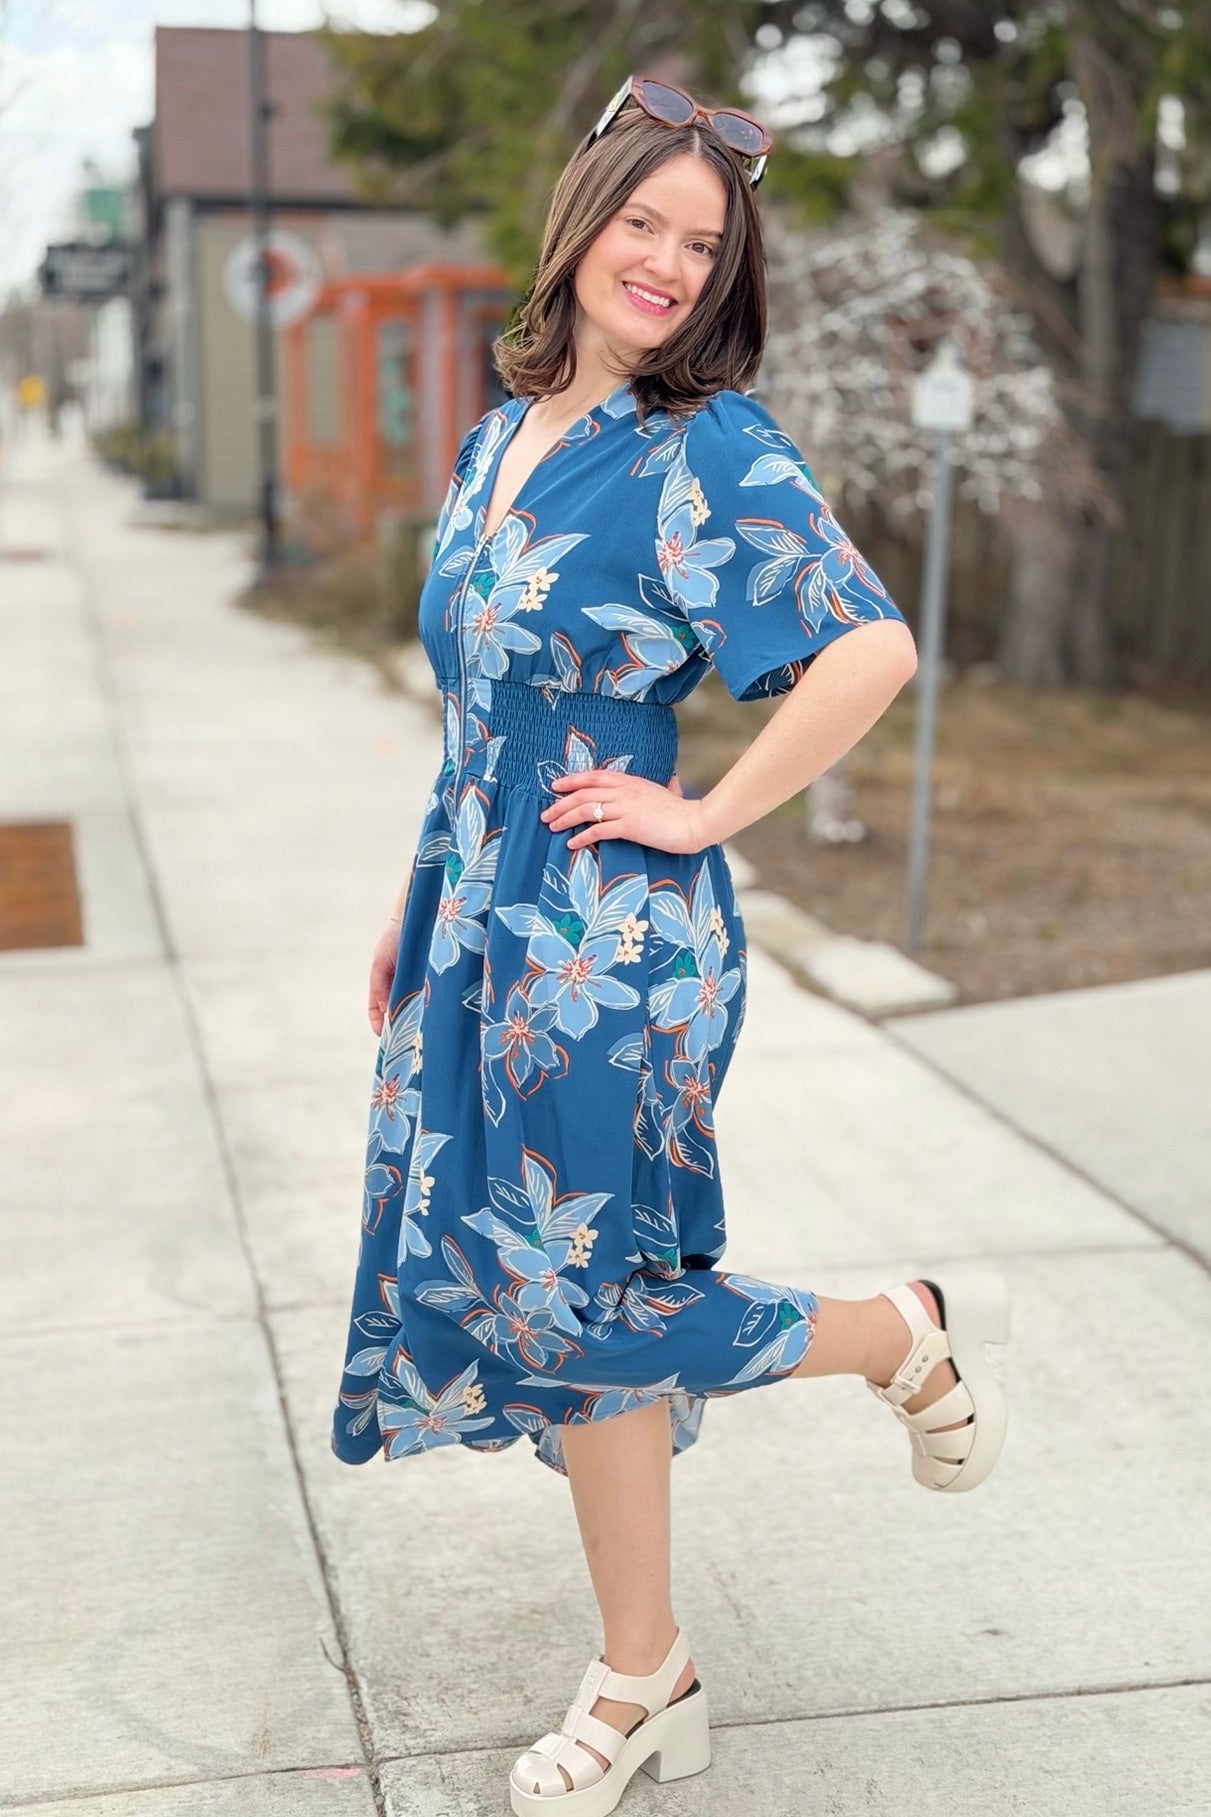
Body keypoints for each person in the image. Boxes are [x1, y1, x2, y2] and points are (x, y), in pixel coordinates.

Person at [330, 72, 1010, 1817]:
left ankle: (892, 1330)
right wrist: (420, 917)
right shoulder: (507, 440)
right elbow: (478, 711)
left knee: (582, 1307)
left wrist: (707, 816)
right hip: (488, 932)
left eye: (704, 245)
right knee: (555, 1306)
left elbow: (868, 651)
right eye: (646, 221)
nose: (669, 262)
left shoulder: (706, 447)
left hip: (612, 952)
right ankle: (652, 1670)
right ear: (583, 223)